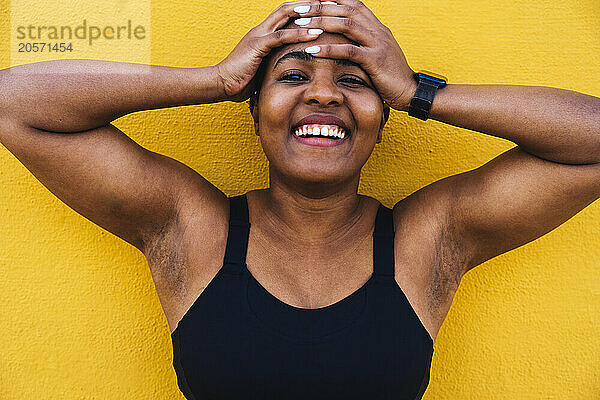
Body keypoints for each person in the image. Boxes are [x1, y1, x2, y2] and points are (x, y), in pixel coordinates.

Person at [1, 0, 599, 399]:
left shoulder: (429, 238)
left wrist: (420, 92)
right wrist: (217, 78)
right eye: (292, 77)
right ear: (254, 109)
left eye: (354, 81)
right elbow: (13, 101)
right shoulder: (191, 227)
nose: (325, 96)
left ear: (383, 118)